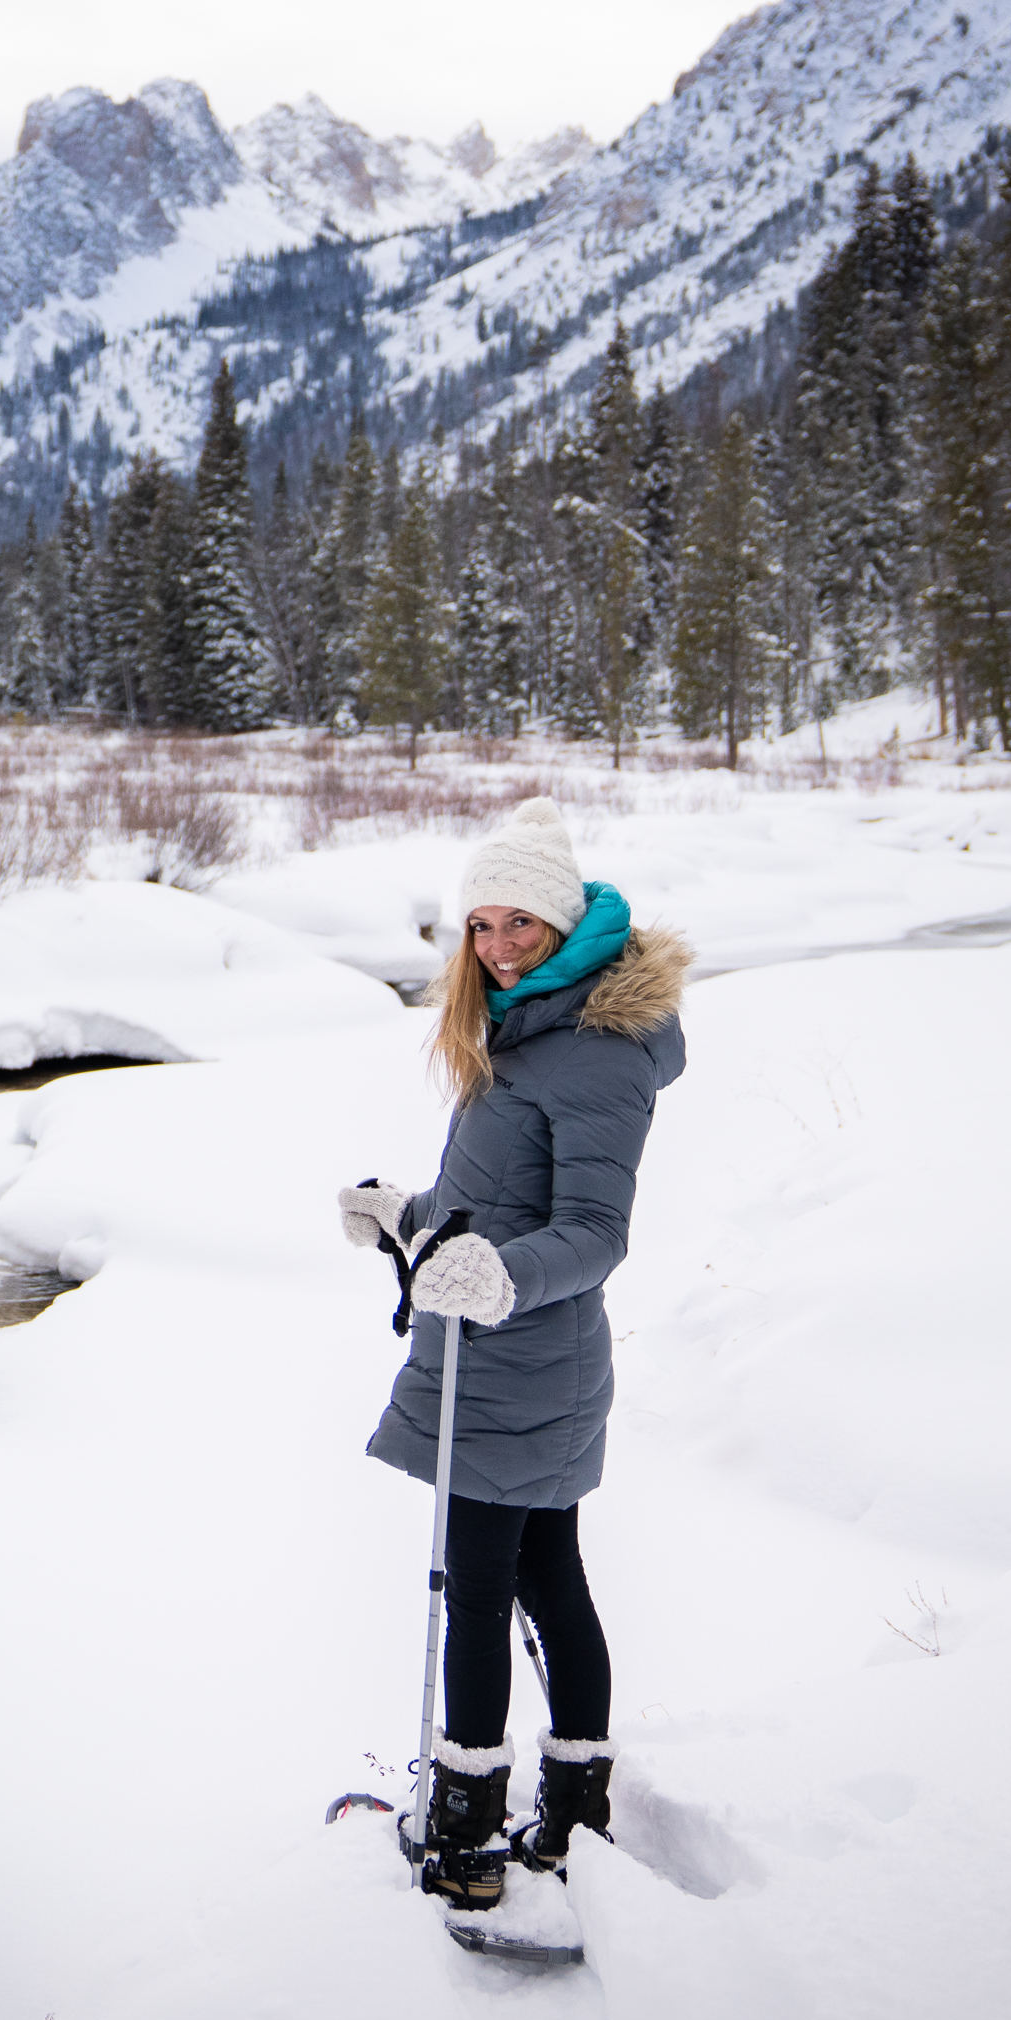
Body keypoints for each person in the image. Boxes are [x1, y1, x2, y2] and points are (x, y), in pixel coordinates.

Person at [339, 796, 689, 1908]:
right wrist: (410, 1216)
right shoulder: (525, 1023)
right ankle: (573, 1812)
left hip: (522, 1367)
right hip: (498, 1361)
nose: (493, 946)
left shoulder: (594, 1053)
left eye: (517, 925)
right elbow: (490, 1200)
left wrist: (495, 1277)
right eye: (479, 924)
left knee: (482, 1589)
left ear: (563, 924)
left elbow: (593, 1234)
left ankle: (462, 1837)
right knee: (541, 1575)